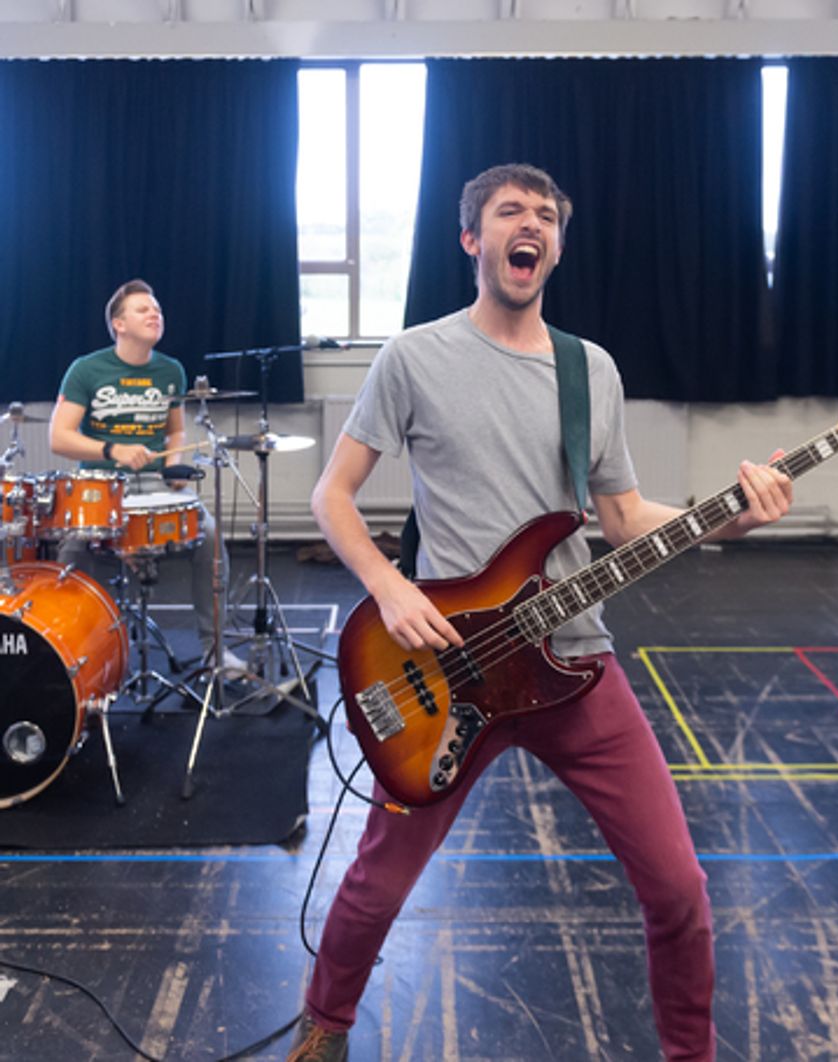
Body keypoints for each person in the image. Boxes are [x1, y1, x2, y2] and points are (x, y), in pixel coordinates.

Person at [287, 163, 793, 1062]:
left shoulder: (587, 369)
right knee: (377, 885)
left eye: (549, 216)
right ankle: (322, 1032)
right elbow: (333, 495)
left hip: (574, 665)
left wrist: (735, 519)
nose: (534, 225)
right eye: (511, 212)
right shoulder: (413, 357)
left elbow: (626, 520)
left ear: (555, 247)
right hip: (450, 668)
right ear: (472, 240)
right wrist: (391, 588)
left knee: (678, 887)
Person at [48, 279, 242, 671]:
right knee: (72, 550)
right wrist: (111, 450)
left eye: (157, 310)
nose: (155, 314)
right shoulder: (86, 369)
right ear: (119, 324)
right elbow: (59, 437)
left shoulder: (170, 370)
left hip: (154, 483)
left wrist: (173, 467)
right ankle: (72, 655)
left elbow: (175, 430)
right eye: (143, 309)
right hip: (100, 487)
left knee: (210, 537)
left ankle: (214, 648)